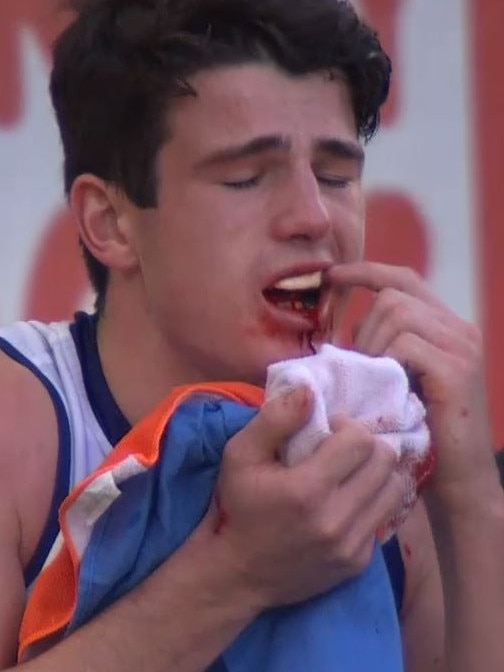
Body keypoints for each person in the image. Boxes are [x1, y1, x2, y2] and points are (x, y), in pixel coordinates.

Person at [1, 0, 503, 669]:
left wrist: (470, 498)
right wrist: (237, 574)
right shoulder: (20, 425)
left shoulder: (382, 451)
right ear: (111, 224)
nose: (312, 217)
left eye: (334, 174)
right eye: (245, 177)